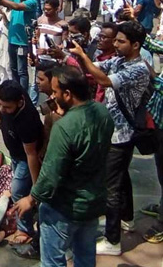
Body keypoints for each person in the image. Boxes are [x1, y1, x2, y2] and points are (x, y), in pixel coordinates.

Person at [11, 67, 114, 267]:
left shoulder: (65, 127)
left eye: (56, 92)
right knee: (85, 257)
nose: (53, 97)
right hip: (92, 204)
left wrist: (31, 199)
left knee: (52, 261)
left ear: (68, 94)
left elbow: (51, 174)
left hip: (64, 208)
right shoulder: (102, 112)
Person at [68, 20, 151, 256]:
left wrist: (82, 56)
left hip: (121, 135)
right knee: (122, 179)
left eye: (121, 41)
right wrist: (68, 57)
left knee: (111, 187)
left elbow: (104, 81)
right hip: (114, 132)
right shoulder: (121, 60)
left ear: (135, 45)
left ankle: (112, 241)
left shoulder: (138, 69)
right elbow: (95, 69)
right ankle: (127, 219)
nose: (115, 44)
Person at [0, 80, 44, 247]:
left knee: (17, 191)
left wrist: (37, 188)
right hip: (15, 153)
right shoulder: (11, 96)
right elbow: (3, 109)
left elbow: (31, 155)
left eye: (7, 107)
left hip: (24, 158)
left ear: (20, 102)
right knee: (21, 188)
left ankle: (25, 229)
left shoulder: (26, 121)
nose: (2, 110)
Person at [0, 0, 38, 91]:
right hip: (12, 40)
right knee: (13, 69)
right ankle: (16, 91)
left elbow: (17, 7)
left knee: (22, 71)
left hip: (23, 42)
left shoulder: (32, 2)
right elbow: (4, 1)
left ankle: (23, 94)